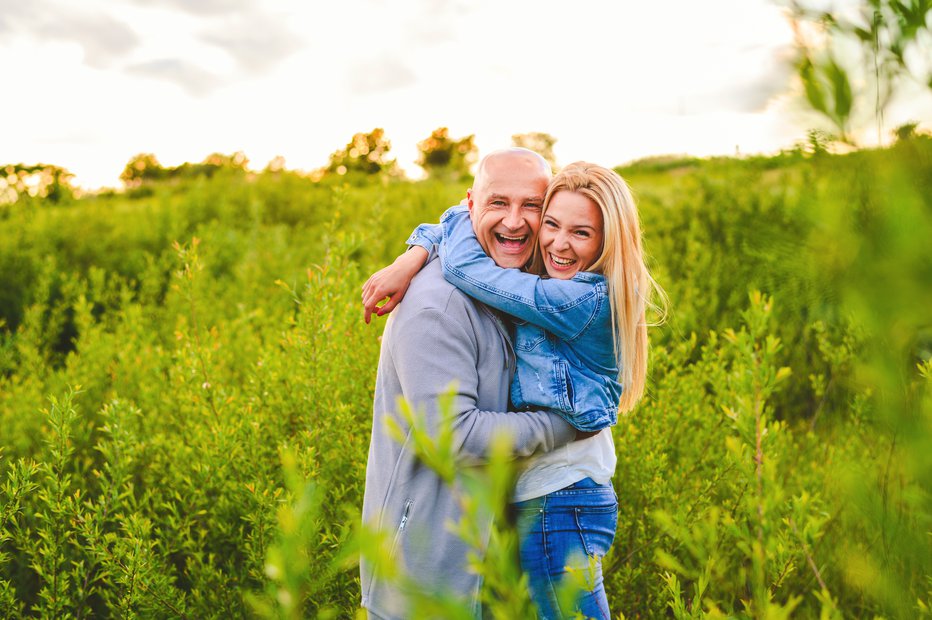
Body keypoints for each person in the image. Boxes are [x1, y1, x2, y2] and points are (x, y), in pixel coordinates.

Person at [364, 160, 663, 619]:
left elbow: (468, 261)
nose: (556, 241)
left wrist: (427, 245)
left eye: (533, 208)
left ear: (607, 241)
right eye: (553, 224)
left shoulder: (565, 292)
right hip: (446, 553)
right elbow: (456, 436)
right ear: (472, 203)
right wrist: (418, 251)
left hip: (559, 500)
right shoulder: (440, 305)